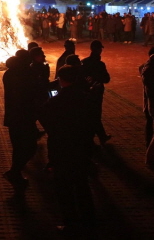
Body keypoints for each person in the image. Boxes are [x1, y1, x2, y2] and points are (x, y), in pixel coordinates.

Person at [39, 65, 96, 234]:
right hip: (81, 149)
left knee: (64, 189)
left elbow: (48, 124)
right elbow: (92, 123)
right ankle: (89, 220)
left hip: (63, 151)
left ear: (60, 79)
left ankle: (70, 223)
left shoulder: (56, 101)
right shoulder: (85, 98)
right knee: (82, 185)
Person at [2, 49, 42, 191]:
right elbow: (34, 92)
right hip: (24, 116)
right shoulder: (26, 74)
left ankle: (15, 173)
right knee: (30, 146)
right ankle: (14, 171)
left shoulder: (9, 73)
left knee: (18, 147)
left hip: (14, 117)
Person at [79, 40, 111, 144]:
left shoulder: (84, 62)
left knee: (92, 115)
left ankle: (100, 136)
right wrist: (96, 79)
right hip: (96, 93)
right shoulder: (100, 64)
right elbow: (106, 79)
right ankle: (94, 137)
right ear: (97, 50)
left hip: (87, 92)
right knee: (95, 115)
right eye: (100, 49)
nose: (101, 50)